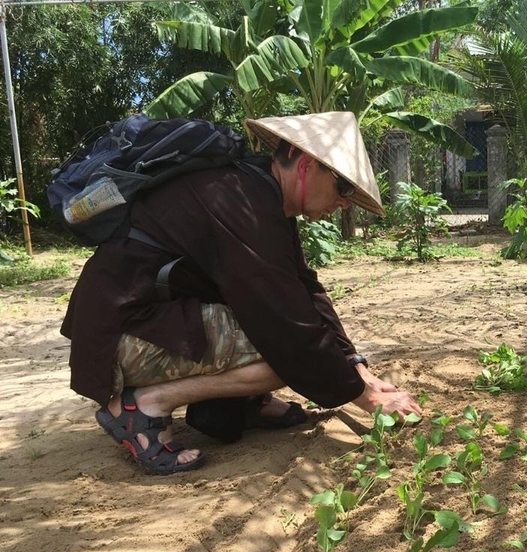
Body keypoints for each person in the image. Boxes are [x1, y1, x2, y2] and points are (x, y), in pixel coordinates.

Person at [61, 112, 422, 474]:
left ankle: (244, 402)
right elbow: (291, 328)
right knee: (284, 351)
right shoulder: (240, 202)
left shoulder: (258, 193)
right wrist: (369, 398)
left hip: (144, 321)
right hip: (121, 337)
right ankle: (143, 406)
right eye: (344, 187)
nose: (345, 202)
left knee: (292, 340)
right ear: (307, 165)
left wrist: (358, 368)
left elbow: (306, 290)